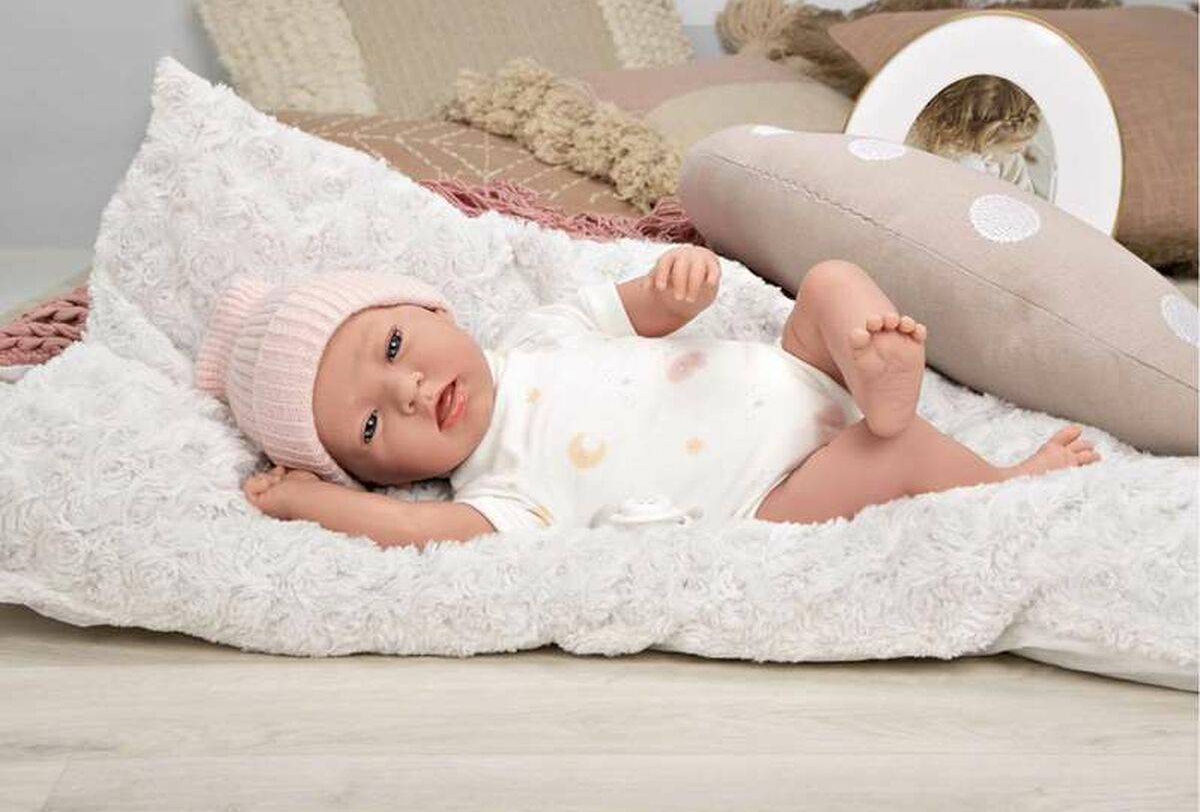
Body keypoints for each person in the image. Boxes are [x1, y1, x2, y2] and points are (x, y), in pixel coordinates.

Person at [195, 248, 1099, 550]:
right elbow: (411, 535)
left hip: (793, 376)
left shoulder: (541, 333)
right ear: (378, 476)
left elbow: (642, 308)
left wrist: (675, 291)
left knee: (830, 282)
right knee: (892, 450)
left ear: (430, 308)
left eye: (393, 347)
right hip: (776, 486)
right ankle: (990, 475)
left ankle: (875, 370)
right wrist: (312, 502)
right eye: (368, 424)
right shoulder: (501, 491)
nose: (407, 388)